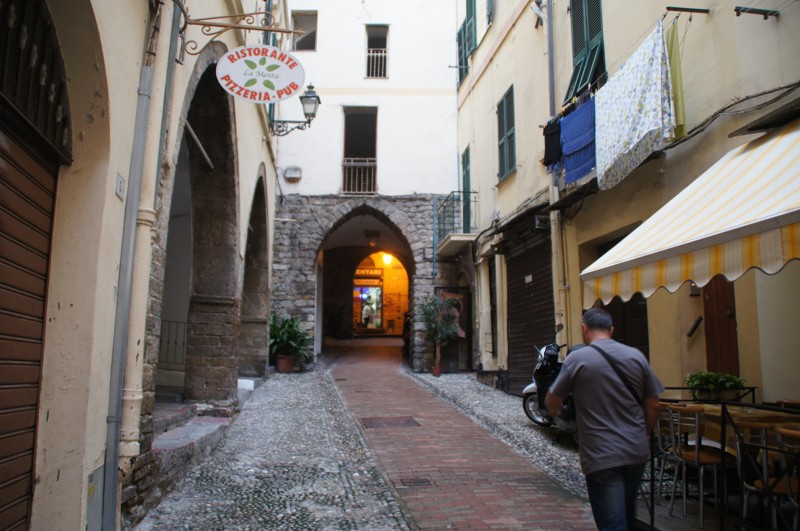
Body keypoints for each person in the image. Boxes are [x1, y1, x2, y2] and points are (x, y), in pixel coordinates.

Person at [545, 308, 663, 531]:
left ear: (585, 328)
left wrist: (560, 413)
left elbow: (552, 400)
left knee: (612, 523)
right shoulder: (636, 356)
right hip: (635, 450)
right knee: (627, 515)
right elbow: (654, 404)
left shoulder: (577, 359)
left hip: (601, 453)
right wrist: (645, 432)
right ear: (612, 329)